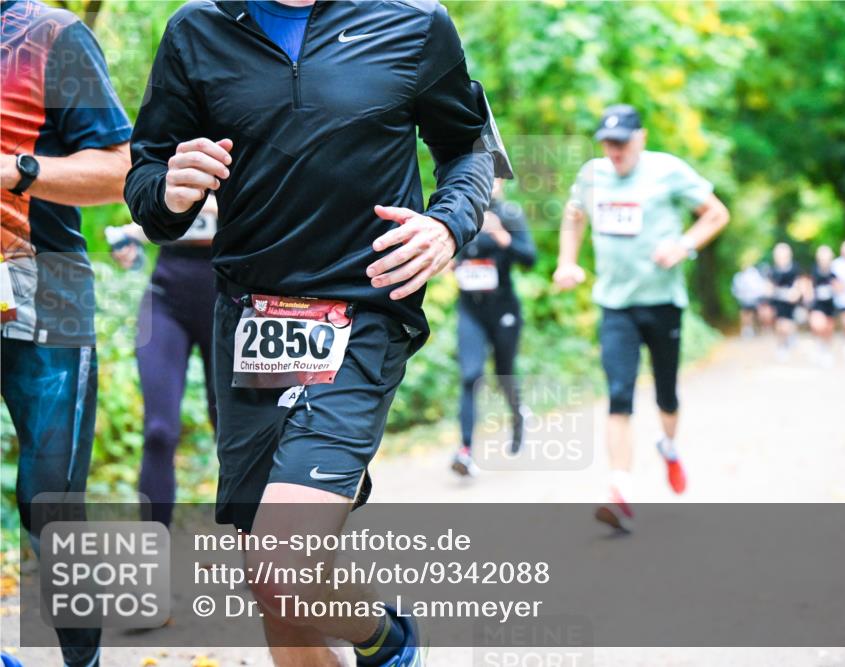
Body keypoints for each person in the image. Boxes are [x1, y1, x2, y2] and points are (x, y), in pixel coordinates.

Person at [124, 1, 506, 666]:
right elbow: (147, 183)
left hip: (363, 314)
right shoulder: (198, 30)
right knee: (275, 587)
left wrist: (447, 223)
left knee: (281, 564)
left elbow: (469, 148)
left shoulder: (414, 23)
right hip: (248, 323)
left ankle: (391, 642)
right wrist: (172, 189)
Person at [1, 1, 132, 665]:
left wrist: (21, 171)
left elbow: (120, 169)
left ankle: (83, 660)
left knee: (48, 502)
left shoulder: (52, 35)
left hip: (44, 290)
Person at [553, 104, 729, 532]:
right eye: (608, 142)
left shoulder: (667, 171)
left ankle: (668, 446)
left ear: (641, 139)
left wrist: (685, 245)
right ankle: (619, 489)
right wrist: (567, 262)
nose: (614, 150)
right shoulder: (592, 175)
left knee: (666, 394)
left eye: (622, 142)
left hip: (663, 303)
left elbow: (717, 213)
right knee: (619, 392)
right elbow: (573, 218)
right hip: (616, 305)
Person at [109, 195, 220, 527]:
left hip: (228, 300)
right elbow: (152, 215)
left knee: (231, 431)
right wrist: (128, 240)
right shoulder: (166, 151)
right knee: (158, 431)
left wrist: (198, 205)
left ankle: (257, 555)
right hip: (165, 301)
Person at [451, 178, 536, 478]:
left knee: (503, 374)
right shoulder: (460, 211)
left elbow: (530, 258)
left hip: (503, 309)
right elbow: (453, 257)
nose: (488, 183)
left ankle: (518, 415)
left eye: (494, 178)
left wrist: (502, 236)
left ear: (500, 183)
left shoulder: (510, 214)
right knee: (470, 375)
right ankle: (465, 450)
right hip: (470, 309)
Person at [768, 242, 802, 360]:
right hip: (778, 301)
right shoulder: (773, 270)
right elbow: (770, 286)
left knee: (788, 323)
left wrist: (796, 293)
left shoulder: (795, 268)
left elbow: (799, 283)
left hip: (791, 302)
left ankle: (789, 339)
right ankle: (782, 345)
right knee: (780, 324)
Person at [806, 244, 836, 367]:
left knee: (828, 329)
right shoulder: (814, 270)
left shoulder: (835, 270)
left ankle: (826, 350)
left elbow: (839, 286)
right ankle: (818, 346)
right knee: (818, 325)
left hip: (830, 304)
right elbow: (808, 284)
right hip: (817, 304)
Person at [731, 260, 767, 339]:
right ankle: (747, 330)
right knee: (745, 314)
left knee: (758, 314)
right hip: (744, 299)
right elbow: (735, 289)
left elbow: (759, 287)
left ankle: (758, 328)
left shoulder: (754, 275)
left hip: (755, 299)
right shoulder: (738, 277)